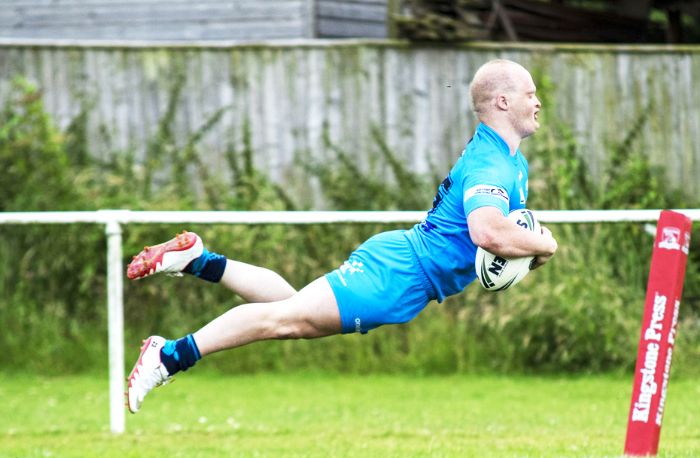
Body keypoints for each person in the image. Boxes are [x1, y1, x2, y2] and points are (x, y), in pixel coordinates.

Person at [125, 59, 558, 413]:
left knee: (289, 308)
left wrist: (529, 249)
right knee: (285, 321)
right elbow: (488, 232)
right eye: (530, 93)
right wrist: (547, 244)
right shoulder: (492, 163)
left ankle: (199, 260)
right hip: (401, 274)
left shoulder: (508, 160)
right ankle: (169, 355)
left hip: (404, 270)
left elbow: (500, 235)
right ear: (503, 100)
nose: (538, 102)